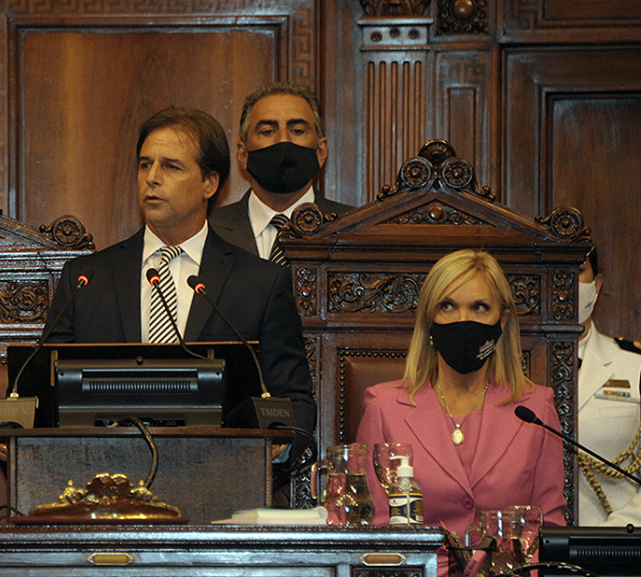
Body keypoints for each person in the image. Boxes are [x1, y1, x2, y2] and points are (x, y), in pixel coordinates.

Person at [44, 106, 316, 449]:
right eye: (145, 165)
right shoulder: (85, 280)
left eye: (170, 166)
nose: (152, 177)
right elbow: (45, 391)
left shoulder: (260, 283)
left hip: (219, 475)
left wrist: (275, 448)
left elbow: (293, 399)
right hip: (104, 474)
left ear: (209, 183)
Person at [356, 249, 566, 550]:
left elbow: (549, 529)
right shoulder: (383, 407)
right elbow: (373, 529)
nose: (463, 320)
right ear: (430, 319)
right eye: (448, 306)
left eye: (480, 307)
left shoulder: (535, 408)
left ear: (502, 321)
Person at [210, 82, 354, 262]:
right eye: (267, 131)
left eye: (297, 131)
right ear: (243, 154)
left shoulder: (356, 228)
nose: (283, 141)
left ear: (321, 151)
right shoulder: (209, 228)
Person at [576, 246, 641, 526]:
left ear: (597, 284)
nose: (566, 280)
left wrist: (611, 536)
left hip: (618, 544)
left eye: (578, 270)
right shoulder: (501, 371)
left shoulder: (634, 365)